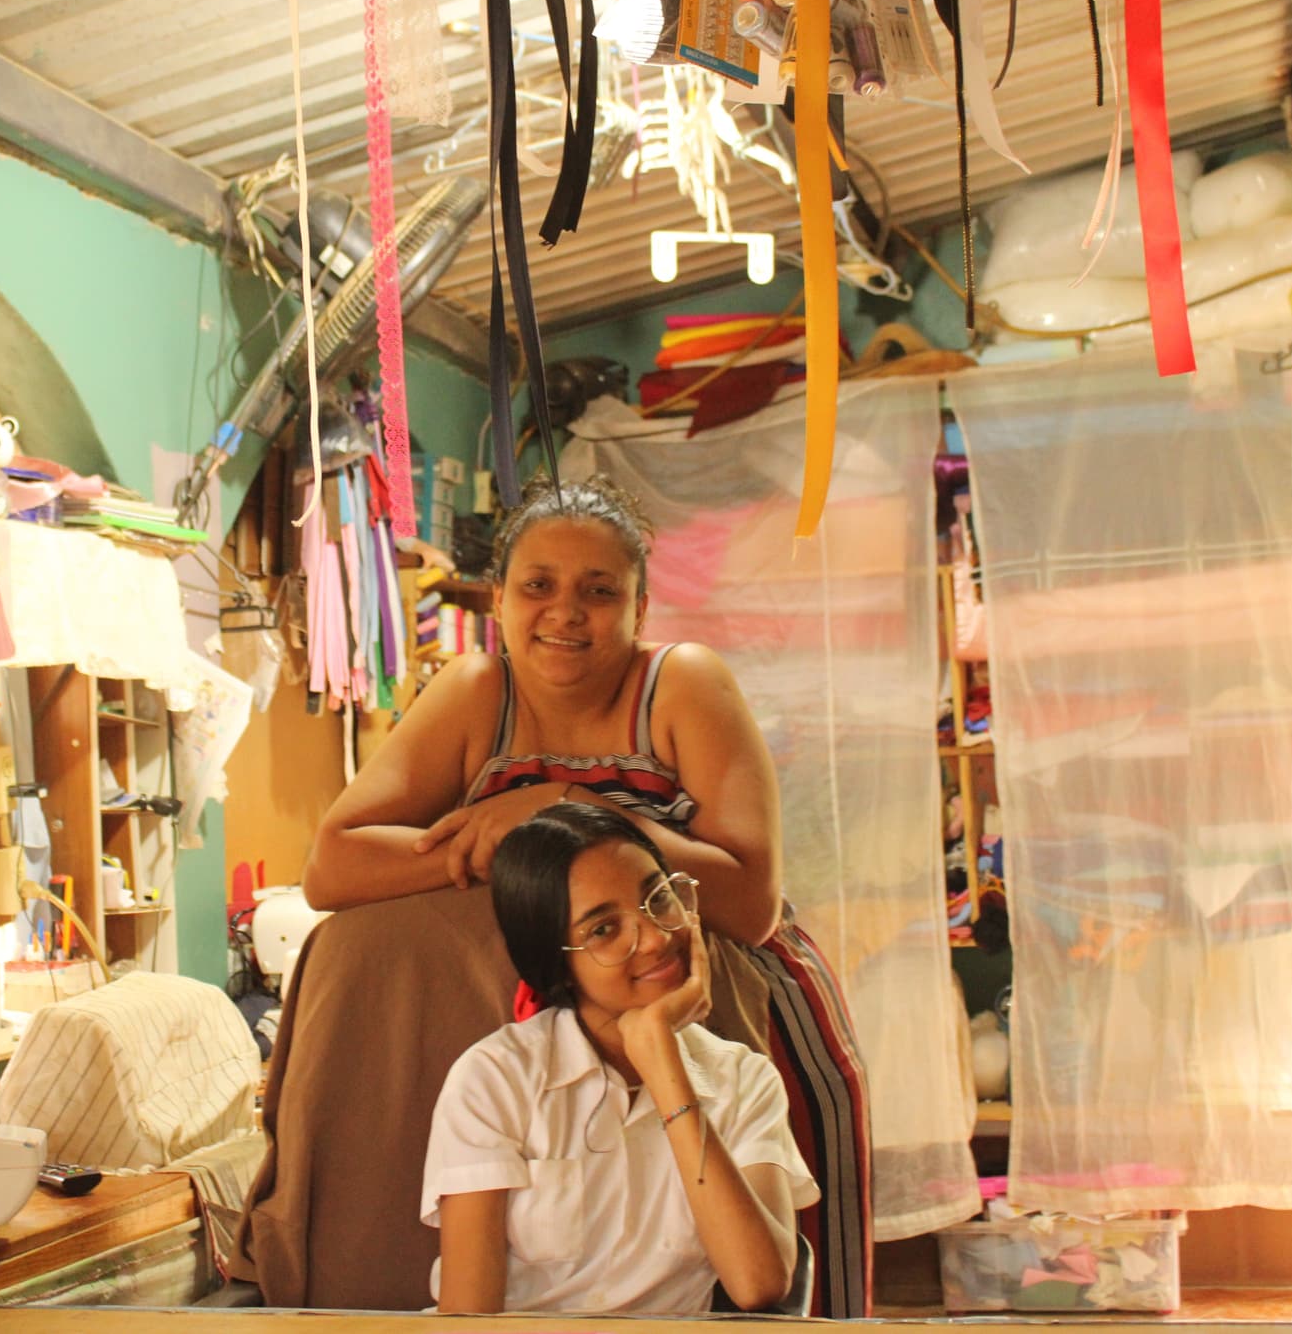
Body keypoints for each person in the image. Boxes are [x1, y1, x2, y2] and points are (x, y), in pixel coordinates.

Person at [232, 474, 870, 1316]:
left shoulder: (682, 685)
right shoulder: (473, 692)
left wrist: (566, 810)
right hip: (515, 1012)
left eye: (599, 591)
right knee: (350, 950)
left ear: (641, 607)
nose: (566, 612)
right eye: (539, 586)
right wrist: (501, 857)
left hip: (680, 986)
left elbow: (749, 899)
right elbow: (334, 865)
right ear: (499, 600)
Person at [424, 803, 817, 1315]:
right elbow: (469, 1320)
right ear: (555, 965)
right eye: (604, 930)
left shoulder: (743, 1079)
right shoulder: (494, 1080)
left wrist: (664, 1066)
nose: (655, 938)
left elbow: (759, 1284)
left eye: (658, 898)